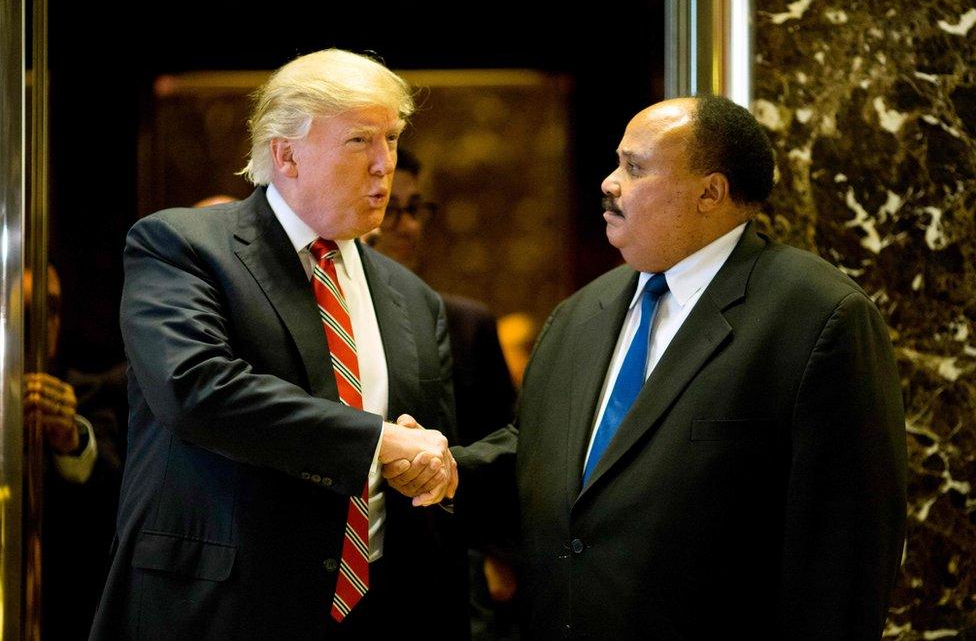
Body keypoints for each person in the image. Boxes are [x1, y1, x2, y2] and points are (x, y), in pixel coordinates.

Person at [445, 95, 908, 639]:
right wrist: (443, 468)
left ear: (710, 192)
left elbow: (845, 555)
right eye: (617, 163)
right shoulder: (578, 314)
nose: (610, 182)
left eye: (634, 168)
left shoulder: (817, 317)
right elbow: (538, 458)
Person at [90, 48, 467, 640]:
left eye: (391, 139)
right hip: (220, 610)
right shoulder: (181, 245)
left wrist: (427, 469)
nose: (385, 165)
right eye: (360, 141)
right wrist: (380, 440)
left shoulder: (413, 297)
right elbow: (196, 391)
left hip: (378, 612)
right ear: (286, 153)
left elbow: (422, 448)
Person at [366, 149, 519, 640]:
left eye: (415, 209)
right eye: (390, 209)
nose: (406, 226)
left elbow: (502, 440)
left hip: (442, 552)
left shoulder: (464, 323)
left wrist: (497, 553)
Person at [24, 266, 126, 639]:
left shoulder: (86, 394)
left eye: (49, 309)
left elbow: (111, 506)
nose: (39, 324)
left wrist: (70, 439)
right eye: (23, 312)